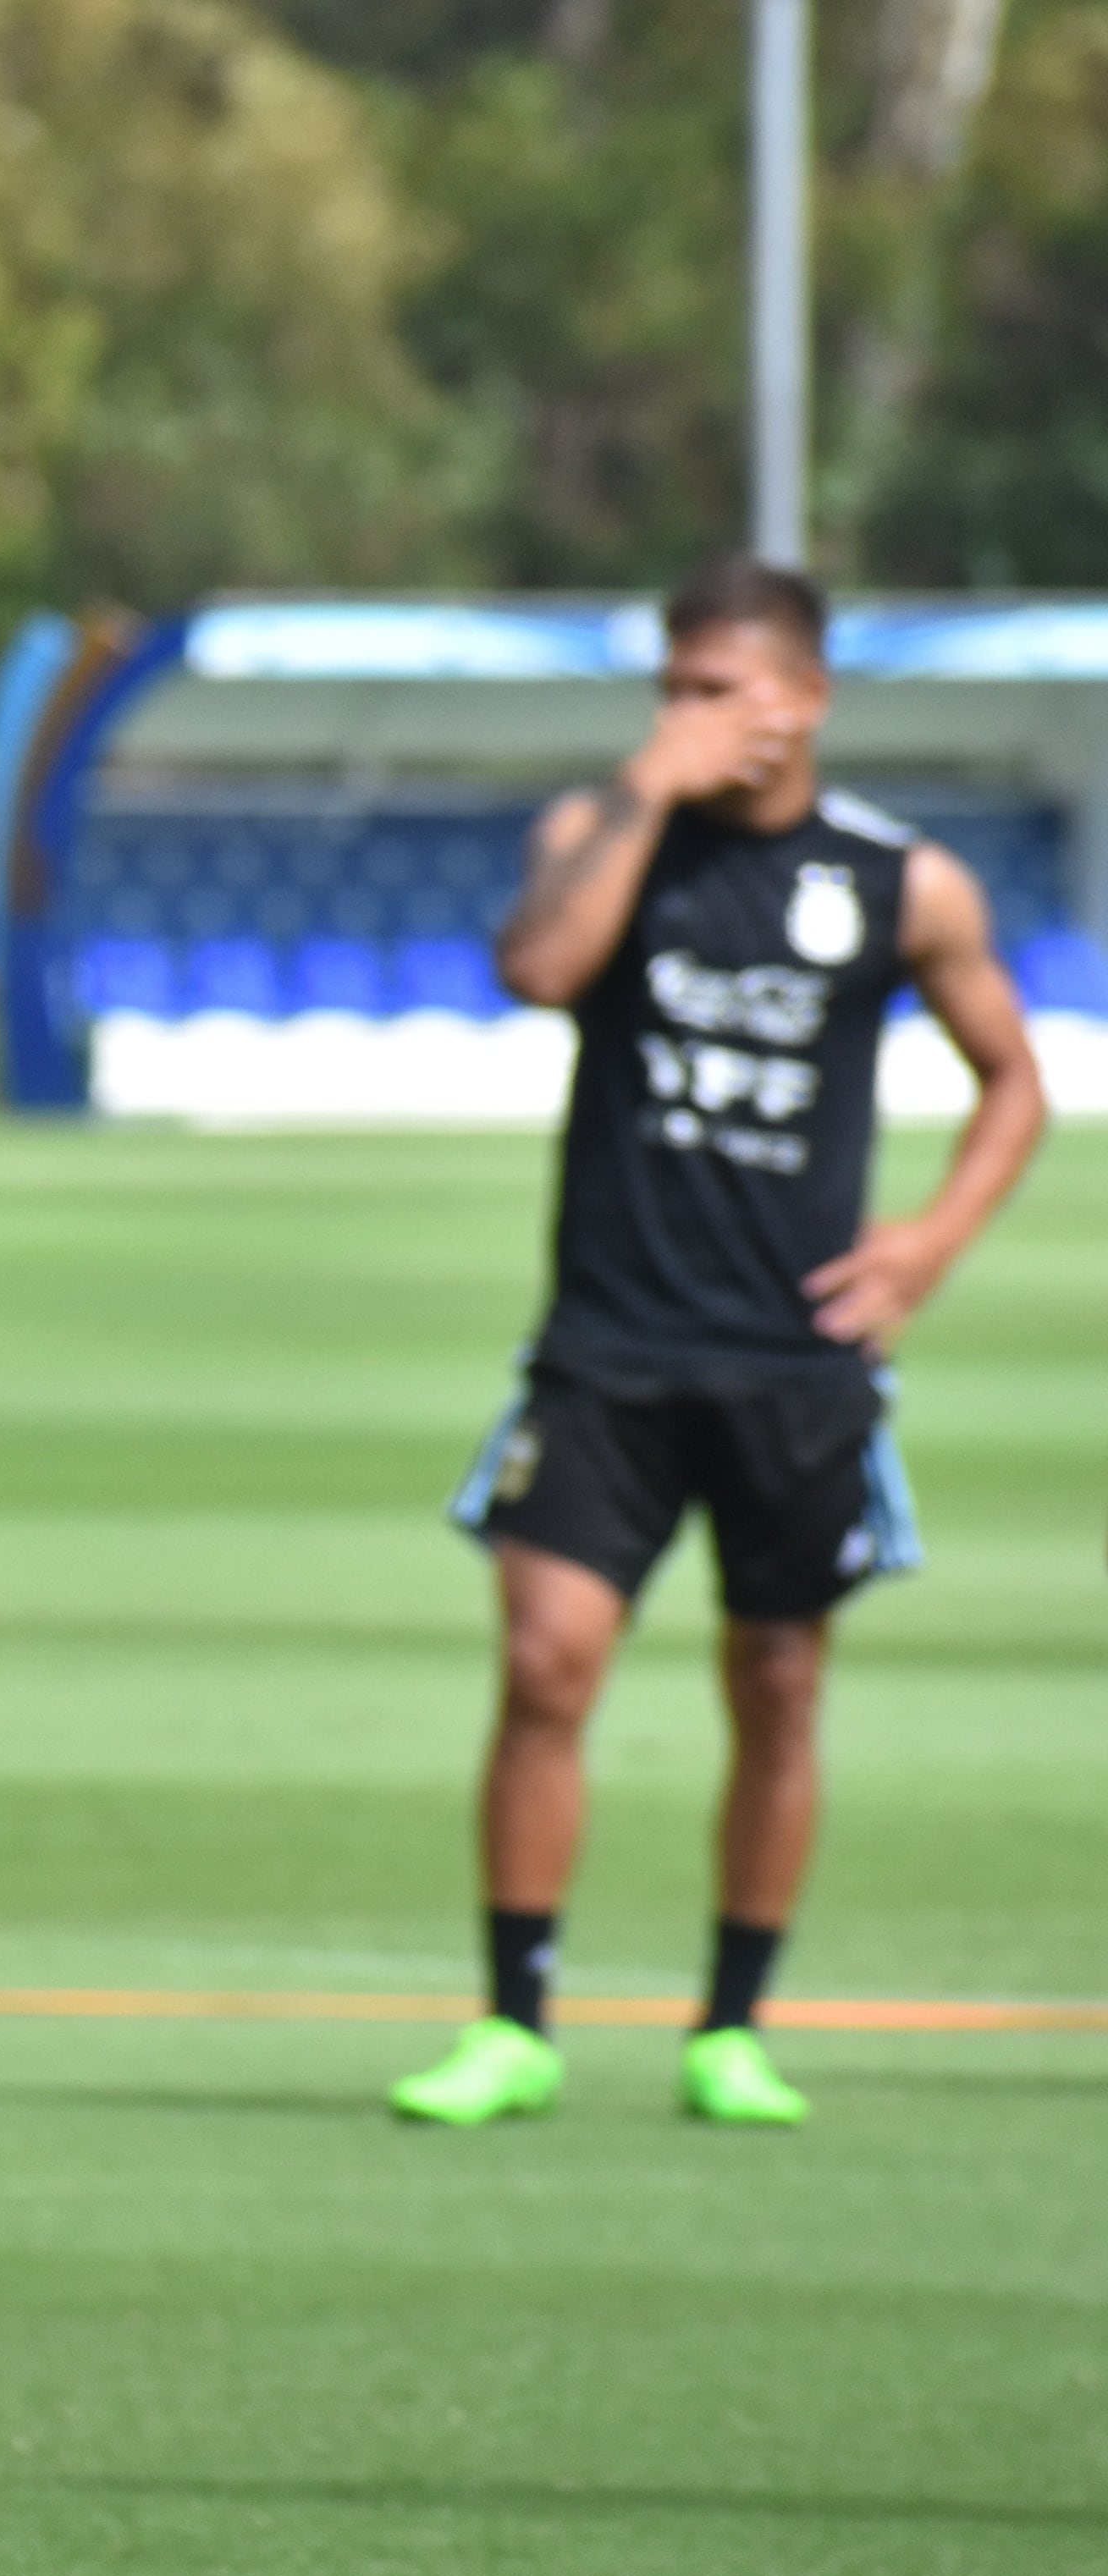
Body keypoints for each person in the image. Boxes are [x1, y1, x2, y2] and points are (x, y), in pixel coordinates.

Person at [393, 555, 1044, 2132]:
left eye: (721, 690)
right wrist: (644, 786)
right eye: (671, 688)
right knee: (547, 1663)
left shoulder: (904, 883)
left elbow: (1010, 1080)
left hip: (797, 1364)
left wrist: (930, 1244)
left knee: (779, 1680)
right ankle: (515, 2020)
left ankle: (732, 2024)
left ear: (806, 697)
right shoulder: (606, 838)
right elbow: (540, 968)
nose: (690, 715)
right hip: (606, 1346)